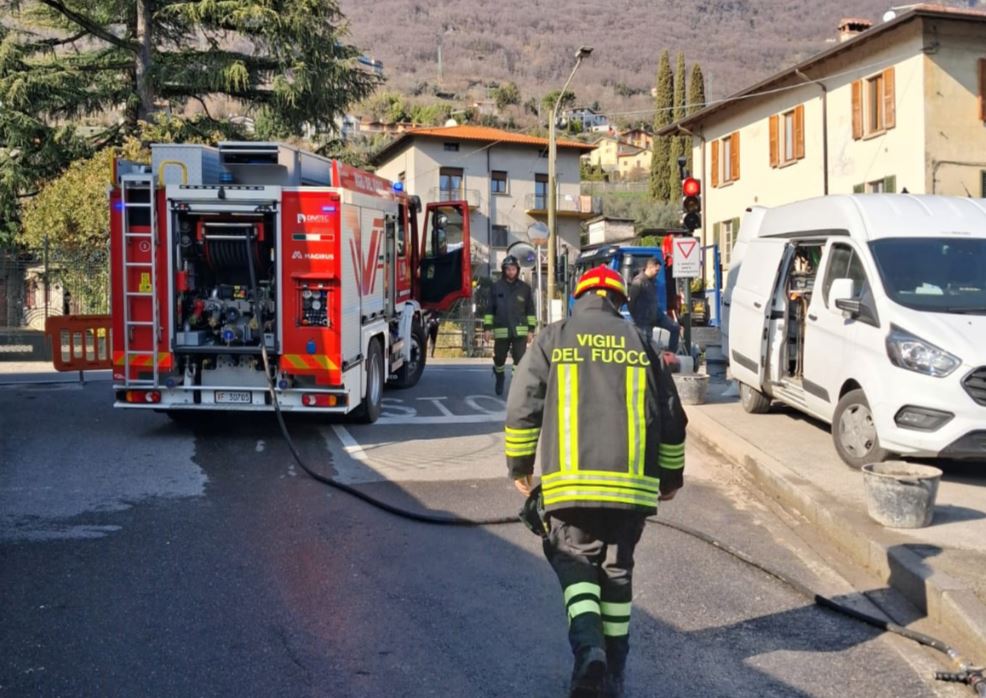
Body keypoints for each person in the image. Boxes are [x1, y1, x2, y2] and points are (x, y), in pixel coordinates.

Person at [505, 265, 688, 698]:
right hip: (631, 490)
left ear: (579, 295)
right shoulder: (640, 341)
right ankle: (615, 672)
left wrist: (520, 465)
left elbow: (522, 406)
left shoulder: (555, 337)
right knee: (617, 572)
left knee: (575, 562)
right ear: (619, 301)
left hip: (571, 489)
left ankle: (590, 651)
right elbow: (671, 416)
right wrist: (670, 477)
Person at [484, 255, 536, 396]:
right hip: (502, 330)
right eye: (508, 269)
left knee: (519, 359)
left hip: (520, 331)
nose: (511, 272)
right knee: (499, 358)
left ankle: (515, 384)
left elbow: (530, 310)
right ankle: (500, 377)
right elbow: (489, 310)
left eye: (513, 269)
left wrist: (531, 330)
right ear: (504, 270)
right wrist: (487, 329)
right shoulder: (496, 287)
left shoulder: (525, 288)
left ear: (517, 270)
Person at [628, 256, 680, 354]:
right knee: (646, 346)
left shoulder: (652, 281)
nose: (657, 273)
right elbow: (631, 302)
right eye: (656, 270)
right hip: (643, 320)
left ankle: (671, 354)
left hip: (656, 314)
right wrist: (636, 318)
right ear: (650, 268)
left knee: (675, 328)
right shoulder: (638, 282)